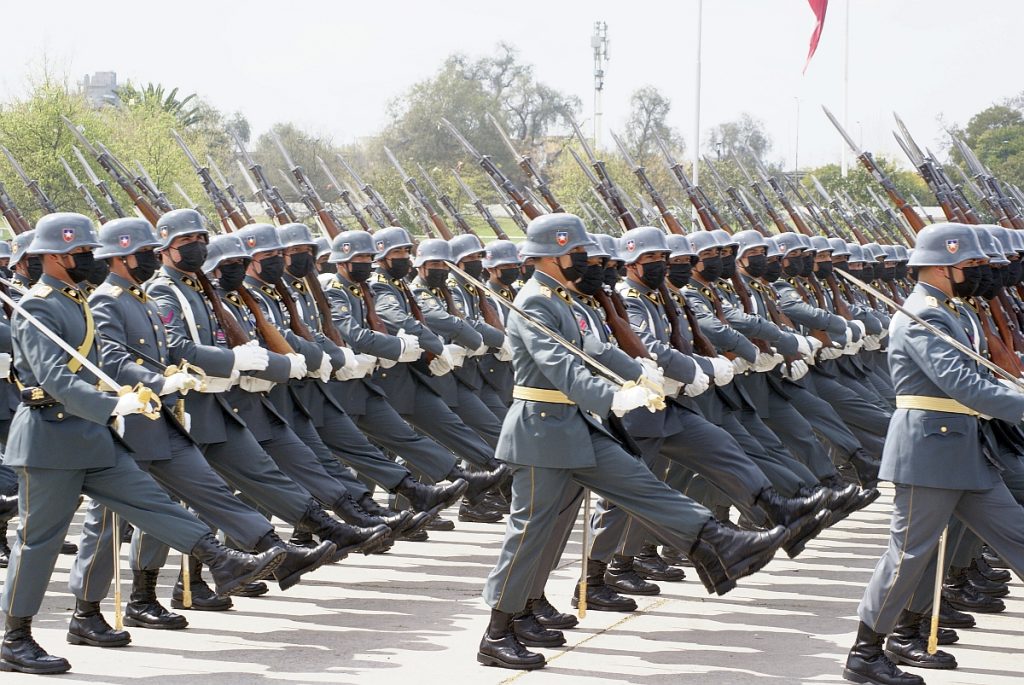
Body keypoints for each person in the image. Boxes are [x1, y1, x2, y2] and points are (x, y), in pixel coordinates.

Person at [478, 213, 788, 671]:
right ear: (551, 256)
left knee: (642, 485)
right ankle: (498, 631)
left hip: (576, 425)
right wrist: (614, 397)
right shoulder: (535, 303)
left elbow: (598, 348)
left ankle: (720, 542)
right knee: (530, 532)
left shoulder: (565, 299)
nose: (582, 260)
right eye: (575, 253)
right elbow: (562, 366)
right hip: (541, 431)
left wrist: (642, 374)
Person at [0, 213, 286, 675]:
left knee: (152, 502)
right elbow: (54, 379)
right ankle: (15, 638)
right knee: (40, 542)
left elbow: (101, 364)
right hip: (50, 440)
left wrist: (144, 388)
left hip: (93, 437)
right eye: (81, 253)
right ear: (53, 257)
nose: (91, 260)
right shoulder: (39, 307)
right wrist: (112, 405)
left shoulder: (77, 299)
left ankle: (220, 560)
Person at [844, 223, 1024, 685]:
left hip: (964, 451)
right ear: (943, 267)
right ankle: (865, 653)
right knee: (908, 555)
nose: (978, 272)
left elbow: (978, 377)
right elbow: (962, 385)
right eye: (971, 264)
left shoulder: (949, 312)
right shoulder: (922, 316)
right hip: (929, 451)